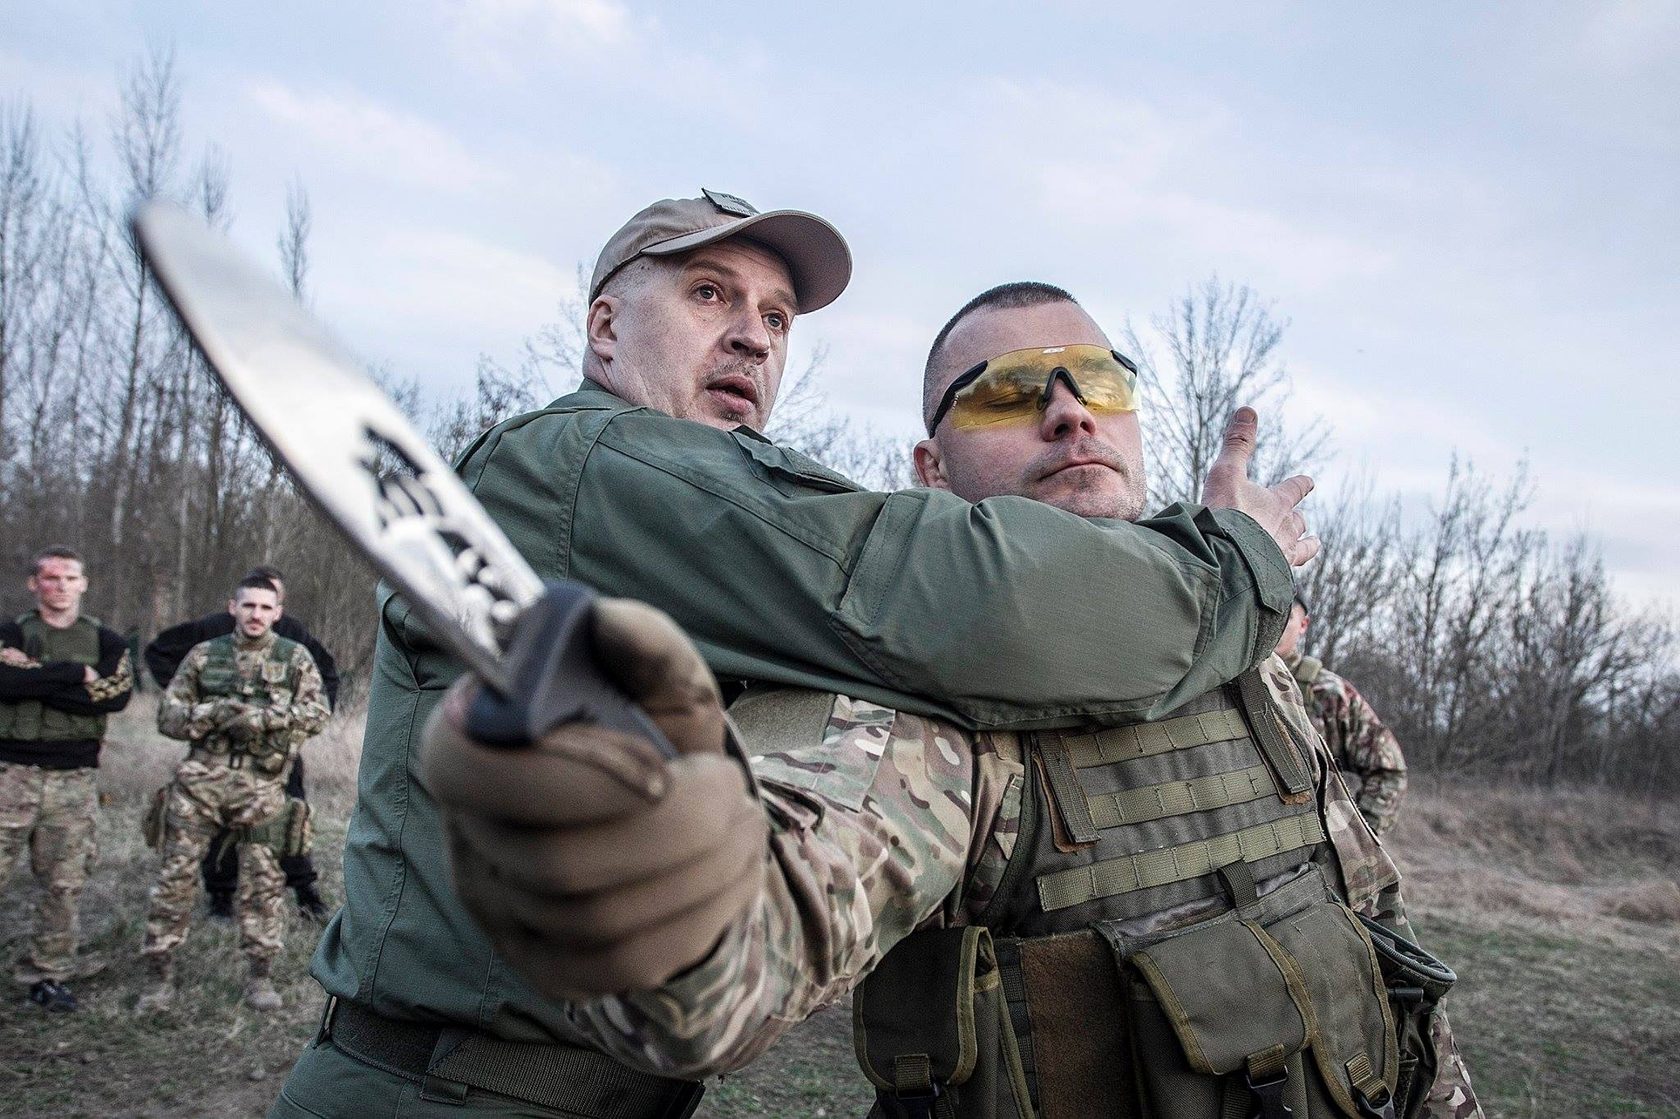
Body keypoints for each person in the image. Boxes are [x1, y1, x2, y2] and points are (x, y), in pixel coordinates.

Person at [272, 192, 1312, 1119]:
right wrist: (1240, 569)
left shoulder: (694, 543)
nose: (755, 339)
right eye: (711, 294)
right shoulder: (583, 464)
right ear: (603, 329)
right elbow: (970, 604)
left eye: (776, 317)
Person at [425, 283, 1482, 1118]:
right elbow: (737, 957)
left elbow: (1371, 919)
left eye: (1099, 381)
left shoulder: (1256, 652)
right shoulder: (928, 715)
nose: (1068, 411)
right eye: (1009, 393)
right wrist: (644, 851)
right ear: (932, 469)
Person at [137, 574, 329, 1013]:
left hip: (261, 789)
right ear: (233, 607)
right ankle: (159, 978)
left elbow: (318, 715)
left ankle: (260, 977)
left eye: (265, 607)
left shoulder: (294, 658)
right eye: (248, 606)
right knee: (174, 881)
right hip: (199, 784)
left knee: (264, 884)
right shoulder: (204, 655)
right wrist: (214, 714)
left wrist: (265, 720)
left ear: (277, 612)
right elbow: (169, 717)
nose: (256, 615)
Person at [0, 547, 133, 1012]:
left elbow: (112, 697)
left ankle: (47, 975)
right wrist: (75, 674)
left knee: (63, 883)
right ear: (34, 584)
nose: (59, 586)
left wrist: (31, 676)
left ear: (84, 583)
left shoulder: (108, 641)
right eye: (49, 578)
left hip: (73, 779)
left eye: (68, 578)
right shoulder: (10, 630)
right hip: (8, 774)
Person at [1276, 593, 1408, 836]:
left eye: (1285, 615)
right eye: (1267, 611)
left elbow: (1387, 771)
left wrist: (1354, 840)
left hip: (1303, 849)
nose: (1273, 621)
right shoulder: (1219, 679)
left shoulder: (1327, 692)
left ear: (1303, 624)